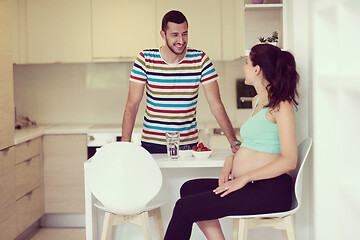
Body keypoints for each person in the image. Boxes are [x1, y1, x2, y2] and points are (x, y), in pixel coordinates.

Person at [164, 43, 300, 240]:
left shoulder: (281, 106)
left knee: (184, 208)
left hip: (271, 190)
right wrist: (231, 159)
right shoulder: (256, 102)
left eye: (246, 63)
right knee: (189, 188)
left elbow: (289, 160)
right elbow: (258, 144)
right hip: (254, 185)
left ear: (257, 69)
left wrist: (243, 178)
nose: (244, 67)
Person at [121, 10, 241, 153]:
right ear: (162, 34)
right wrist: (125, 144)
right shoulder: (145, 59)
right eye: (174, 35)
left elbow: (215, 104)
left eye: (184, 33)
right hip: (152, 144)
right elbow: (132, 104)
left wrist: (233, 141)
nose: (181, 40)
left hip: (187, 146)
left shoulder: (200, 59)